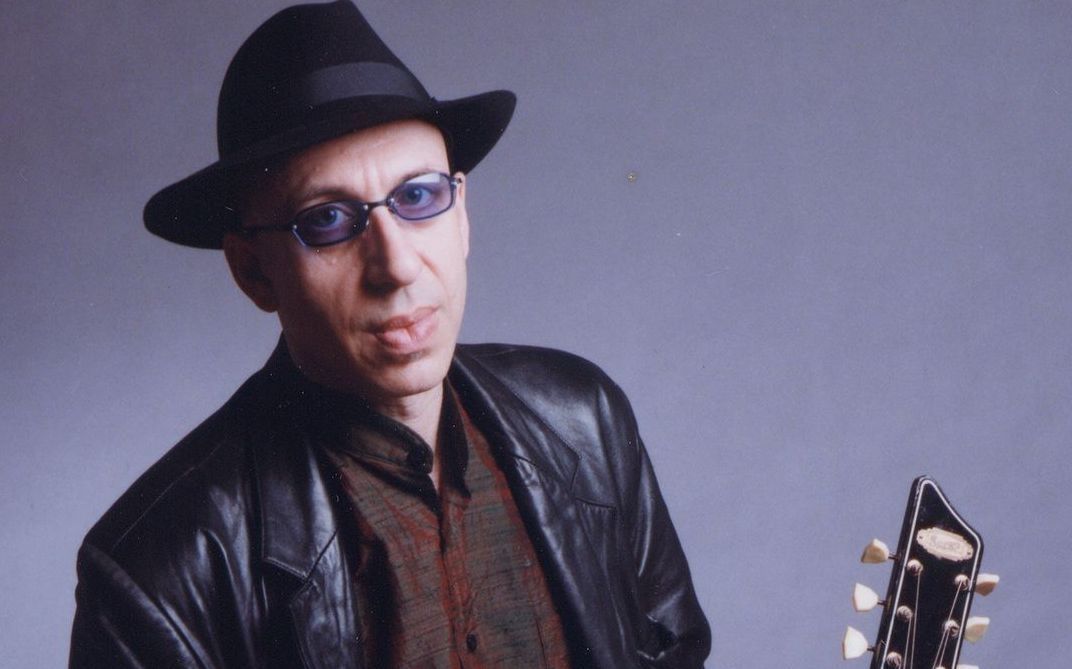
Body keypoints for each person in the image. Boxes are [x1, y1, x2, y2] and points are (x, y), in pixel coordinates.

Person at [69, 2, 710, 667]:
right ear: (253, 271)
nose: (397, 266)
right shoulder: (157, 572)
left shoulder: (584, 422)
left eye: (419, 197)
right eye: (327, 219)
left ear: (462, 215)